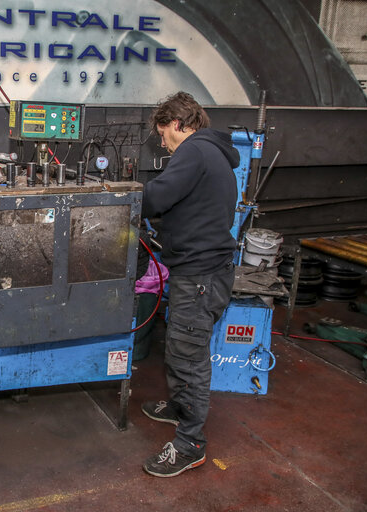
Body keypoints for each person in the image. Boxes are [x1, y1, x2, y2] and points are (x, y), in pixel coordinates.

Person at [140, 91, 240, 477]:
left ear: (179, 124)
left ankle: (190, 444)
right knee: (181, 348)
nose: (163, 142)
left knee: (189, 358)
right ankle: (180, 408)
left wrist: (126, 195)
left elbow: (157, 197)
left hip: (200, 277)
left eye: (164, 133)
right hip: (200, 272)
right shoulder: (212, 152)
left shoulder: (195, 151)